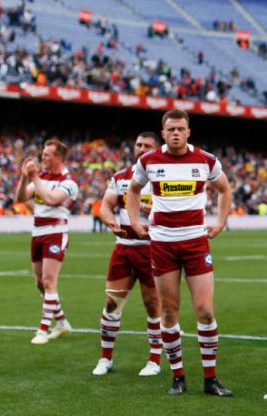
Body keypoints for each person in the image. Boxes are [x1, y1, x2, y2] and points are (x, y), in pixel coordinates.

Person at [127, 110, 233, 397]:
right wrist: (135, 221)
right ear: (163, 133)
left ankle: (210, 379)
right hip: (162, 244)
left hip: (196, 242)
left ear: (188, 132)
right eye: (170, 128)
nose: (176, 133)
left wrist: (221, 222)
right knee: (170, 311)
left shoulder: (206, 160)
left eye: (181, 128)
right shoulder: (148, 161)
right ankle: (178, 377)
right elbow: (133, 190)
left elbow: (224, 189)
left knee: (206, 311)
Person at [92, 132, 163, 377]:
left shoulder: (164, 177)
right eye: (138, 145)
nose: (141, 149)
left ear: (157, 149)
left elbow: (174, 207)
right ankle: (106, 358)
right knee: (112, 303)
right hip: (123, 246)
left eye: (147, 146)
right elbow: (106, 205)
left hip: (151, 248)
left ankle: (154, 359)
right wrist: (110, 220)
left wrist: (145, 205)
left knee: (153, 304)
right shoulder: (120, 177)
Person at [15, 138, 78, 345]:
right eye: (42, 155)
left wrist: (34, 177)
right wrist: (25, 178)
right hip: (38, 232)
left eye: (46, 155)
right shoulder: (40, 177)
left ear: (58, 157)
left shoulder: (68, 182)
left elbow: (51, 199)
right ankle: (61, 323)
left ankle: (42, 330)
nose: (42, 158)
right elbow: (21, 198)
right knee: (40, 284)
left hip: (56, 231)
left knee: (49, 281)